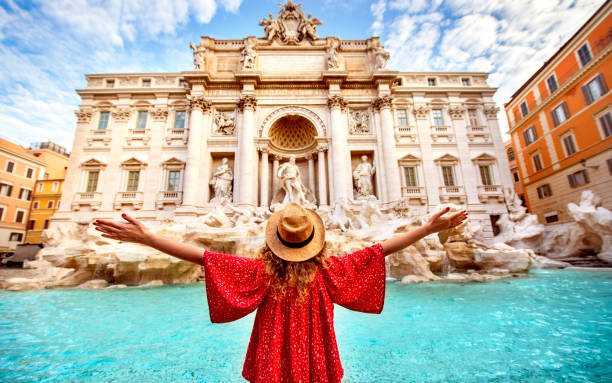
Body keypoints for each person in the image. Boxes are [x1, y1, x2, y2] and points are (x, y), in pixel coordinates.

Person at [93, 203, 467, 382]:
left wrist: (148, 239)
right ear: (314, 243)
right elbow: (382, 248)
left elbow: (201, 257)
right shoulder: (330, 270)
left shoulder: (260, 272)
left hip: (270, 359)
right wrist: (425, 228)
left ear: (275, 243)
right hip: (317, 357)